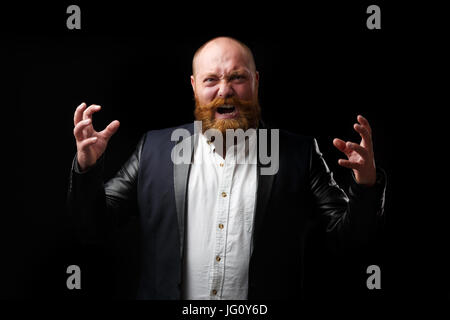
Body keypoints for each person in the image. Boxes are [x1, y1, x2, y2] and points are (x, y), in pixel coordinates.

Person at [68, 36, 386, 300]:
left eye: (237, 77)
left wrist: (366, 183)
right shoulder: (153, 149)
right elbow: (92, 228)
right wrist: (87, 166)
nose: (224, 90)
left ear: (255, 81)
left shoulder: (299, 154)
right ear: (194, 86)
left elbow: (348, 241)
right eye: (211, 79)